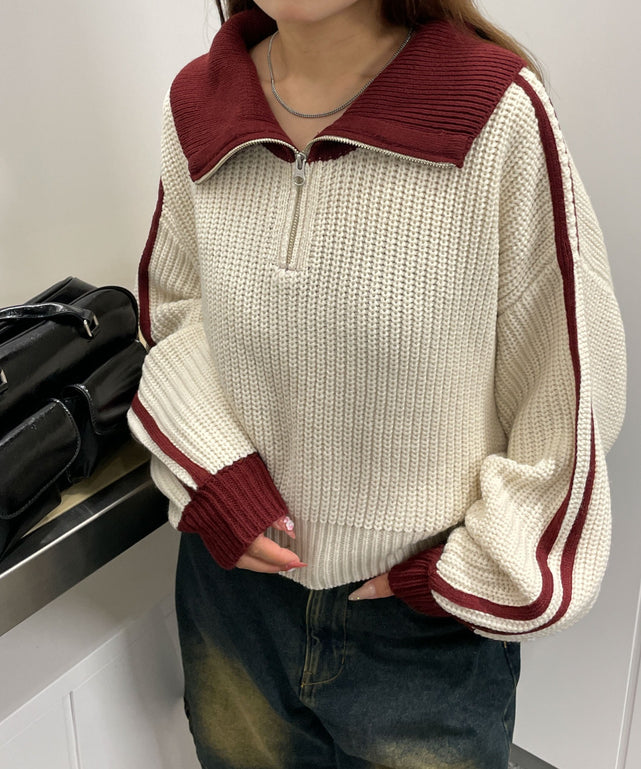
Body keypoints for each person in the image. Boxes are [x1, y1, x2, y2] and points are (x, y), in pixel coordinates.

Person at [127, 1, 627, 767]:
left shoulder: (495, 111)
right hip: (231, 600)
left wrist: (473, 570)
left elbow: (568, 388)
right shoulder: (200, 103)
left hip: (421, 632)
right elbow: (174, 313)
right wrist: (219, 477)